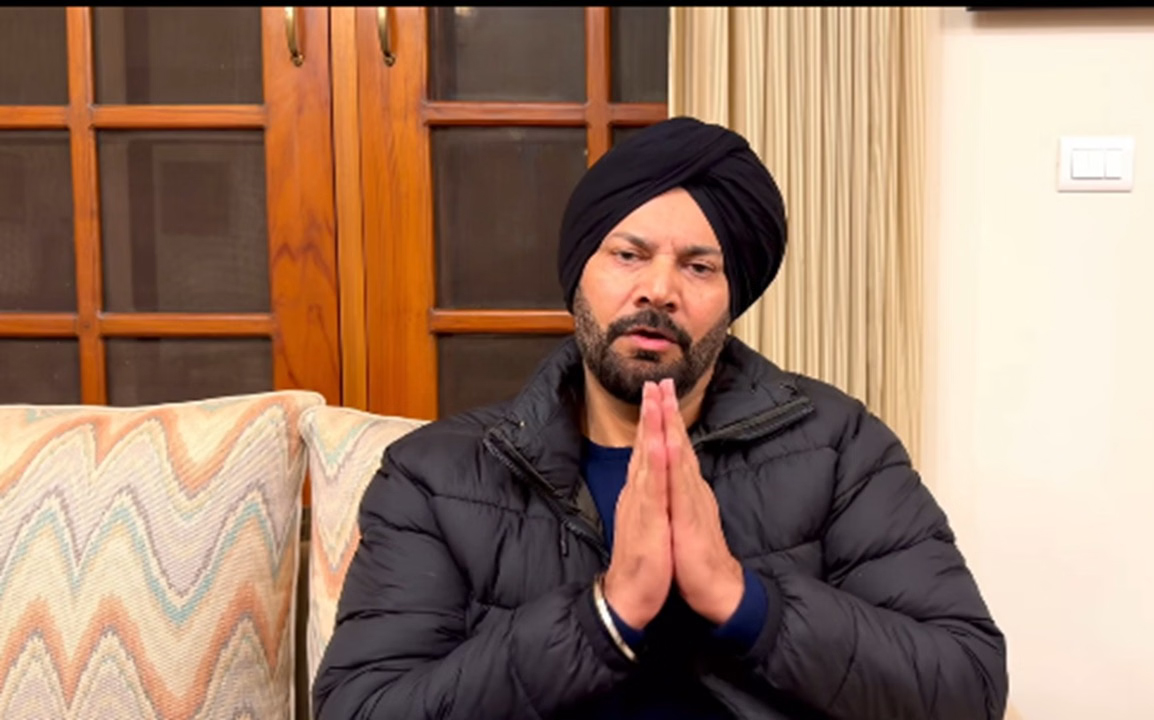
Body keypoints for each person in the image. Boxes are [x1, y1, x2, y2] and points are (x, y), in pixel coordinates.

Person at [313, 116, 1008, 719]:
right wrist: (604, 616)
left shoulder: (837, 444)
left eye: (699, 267)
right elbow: (362, 707)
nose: (659, 290)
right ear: (580, 274)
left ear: (732, 299)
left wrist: (742, 599)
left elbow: (968, 686)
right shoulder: (436, 475)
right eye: (629, 255)